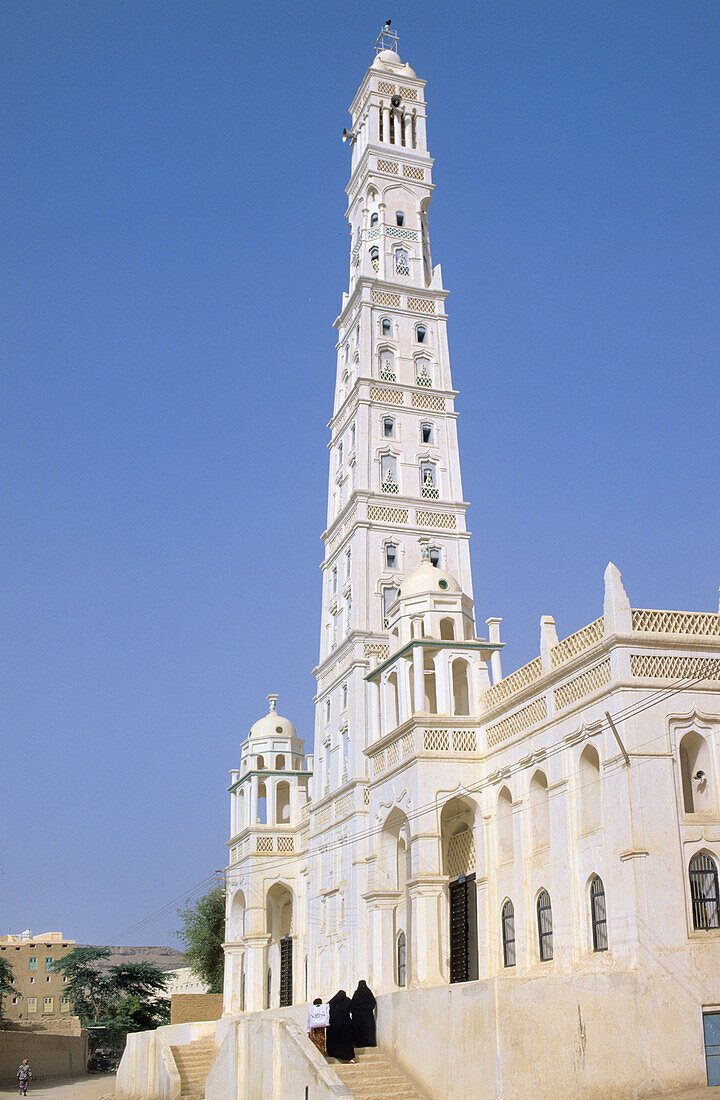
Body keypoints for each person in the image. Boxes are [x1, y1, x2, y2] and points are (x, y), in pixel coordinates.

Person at [326, 989, 355, 1063]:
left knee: (335, 1040)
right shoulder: (347, 1001)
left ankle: (334, 1053)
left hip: (334, 1025)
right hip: (345, 1025)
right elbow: (352, 1008)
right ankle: (347, 1056)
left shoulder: (332, 1002)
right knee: (345, 1041)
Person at [351, 980, 377, 1047]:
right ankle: (368, 1043)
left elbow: (352, 1005)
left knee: (361, 1030)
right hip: (367, 1015)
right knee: (367, 1029)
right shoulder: (368, 992)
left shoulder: (357, 994)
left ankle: (360, 1043)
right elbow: (372, 1003)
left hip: (358, 1016)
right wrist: (366, 1009)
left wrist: (357, 1011)